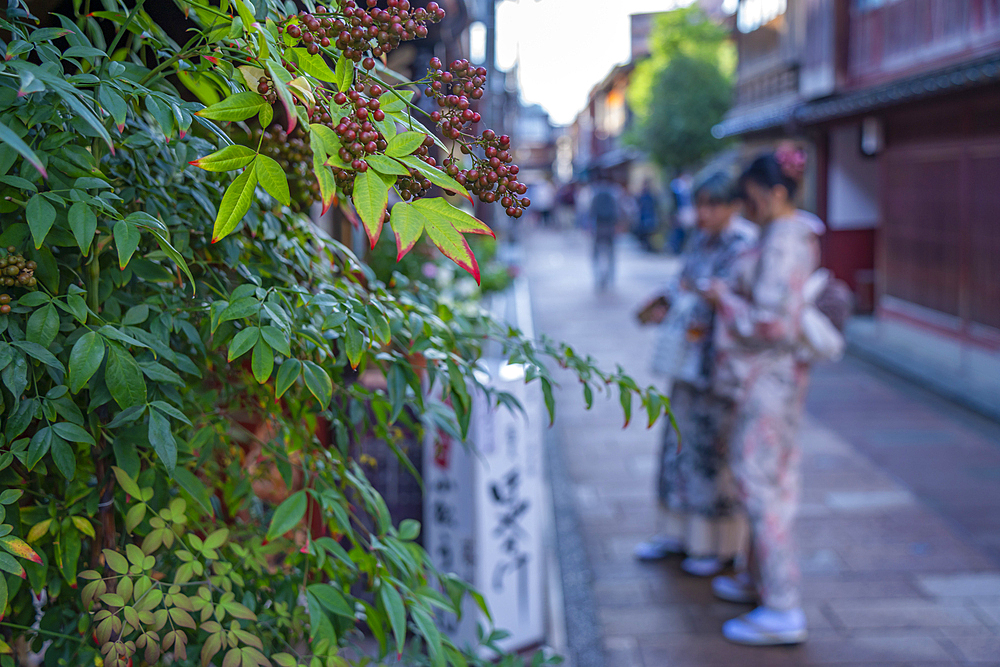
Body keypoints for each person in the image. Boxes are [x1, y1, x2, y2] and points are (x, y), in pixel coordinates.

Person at [703, 148, 825, 646]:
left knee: (762, 485)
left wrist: (725, 301)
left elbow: (773, 323)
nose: (745, 206)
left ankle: (782, 605)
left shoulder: (782, 242)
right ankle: (763, 583)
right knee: (769, 479)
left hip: (768, 378)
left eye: (751, 197)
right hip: (775, 378)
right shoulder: (786, 235)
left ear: (776, 193)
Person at [634, 172, 757, 577]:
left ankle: (713, 545)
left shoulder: (744, 245)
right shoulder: (699, 240)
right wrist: (664, 302)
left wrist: (711, 296)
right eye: (700, 204)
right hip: (687, 360)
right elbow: (680, 284)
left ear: (734, 205)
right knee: (678, 445)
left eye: (712, 205)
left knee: (711, 453)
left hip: (721, 366)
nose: (703, 213)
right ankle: (676, 533)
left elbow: (748, 307)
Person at [589, 172, 622, 290]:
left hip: (599, 226)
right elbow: (617, 211)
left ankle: (598, 277)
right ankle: (610, 278)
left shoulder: (596, 193)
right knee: (611, 254)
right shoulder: (613, 193)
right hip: (610, 227)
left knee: (597, 254)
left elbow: (591, 211)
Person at [633, 181, 660, 252]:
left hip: (650, 215)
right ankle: (645, 245)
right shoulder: (641, 195)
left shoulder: (651, 195)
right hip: (644, 215)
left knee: (650, 231)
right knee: (644, 231)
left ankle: (650, 246)